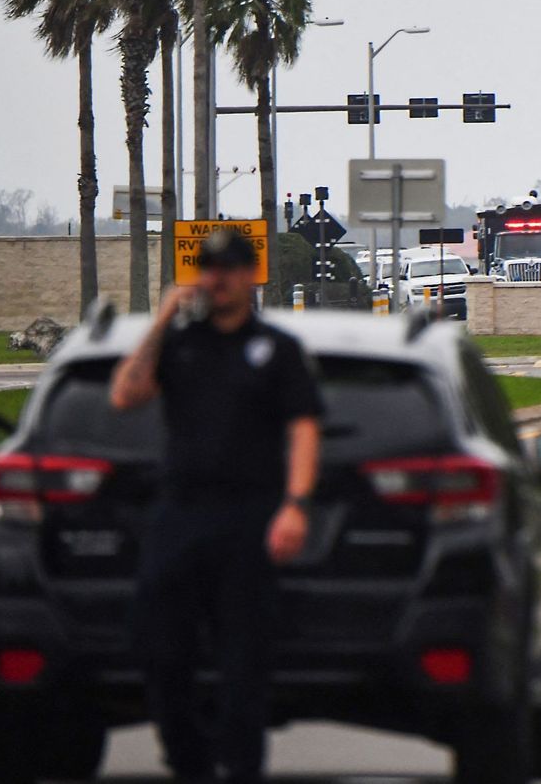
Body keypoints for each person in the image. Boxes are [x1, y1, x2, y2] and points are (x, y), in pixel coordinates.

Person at [110, 230, 324, 784]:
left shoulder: (276, 350)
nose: (218, 278)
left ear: (247, 276)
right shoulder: (180, 345)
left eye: (229, 268)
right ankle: (189, 761)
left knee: (243, 661)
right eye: (208, 268)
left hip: (248, 518)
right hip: (180, 516)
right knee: (160, 647)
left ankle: (242, 766)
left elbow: (304, 429)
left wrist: (296, 505)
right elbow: (125, 395)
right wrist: (161, 320)